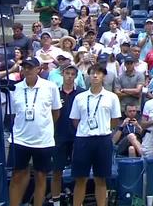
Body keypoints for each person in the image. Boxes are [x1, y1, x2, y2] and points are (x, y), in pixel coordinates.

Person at [8, 57, 61, 206]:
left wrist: (43, 126)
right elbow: (13, 114)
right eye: (25, 67)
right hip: (19, 138)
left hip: (43, 139)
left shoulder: (50, 87)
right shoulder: (16, 88)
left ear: (38, 69)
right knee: (17, 175)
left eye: (30, 67)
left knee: (41, 176)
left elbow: (56, 112)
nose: (27, 70)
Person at [70, 65, 121, 206]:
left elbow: (115, 120)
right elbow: (75, 120)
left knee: (101, 178)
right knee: (80, 178)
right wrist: (85, 129)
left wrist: (104, 129)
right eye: (92, 73)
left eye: (98, 73)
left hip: (103, 139)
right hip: (83, 139)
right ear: (88, 76)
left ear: (103, 76)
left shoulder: (112, 97)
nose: (95, 76)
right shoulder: (80, 97)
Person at [50, 65, 85, 206]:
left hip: (78, 137)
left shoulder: (82, 94)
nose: (69, 76)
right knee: (57, 171)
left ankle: (78, 202)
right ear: (62, 74)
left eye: (72, 74)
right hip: (59, 136)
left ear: (76, 76)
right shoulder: (55, 93)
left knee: (79, 173)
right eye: (67, 73)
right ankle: (56, 202)